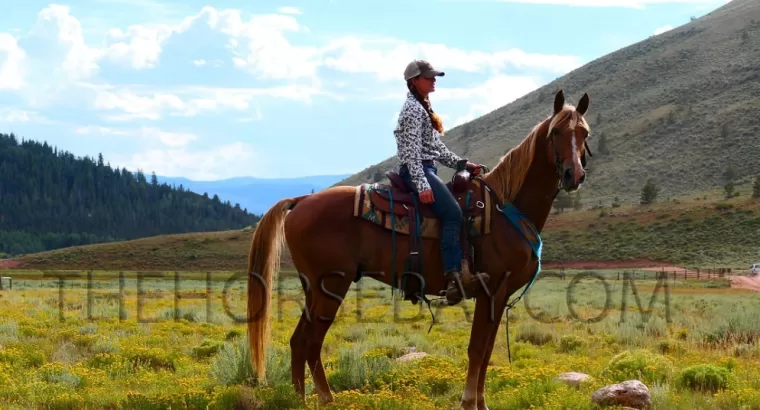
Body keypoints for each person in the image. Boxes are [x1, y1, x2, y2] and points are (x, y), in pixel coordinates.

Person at [393, 59, 489, 305]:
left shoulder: (423, 106)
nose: (433, 80)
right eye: (428, 77)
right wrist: (422, 185)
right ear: (414, 81)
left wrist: (463, 164)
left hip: (426, 168)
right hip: (417, 170)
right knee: (453, 214)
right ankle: (453, 276)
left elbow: (436, 147)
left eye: (433, 76)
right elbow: (412, 152)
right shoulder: (413, 110)